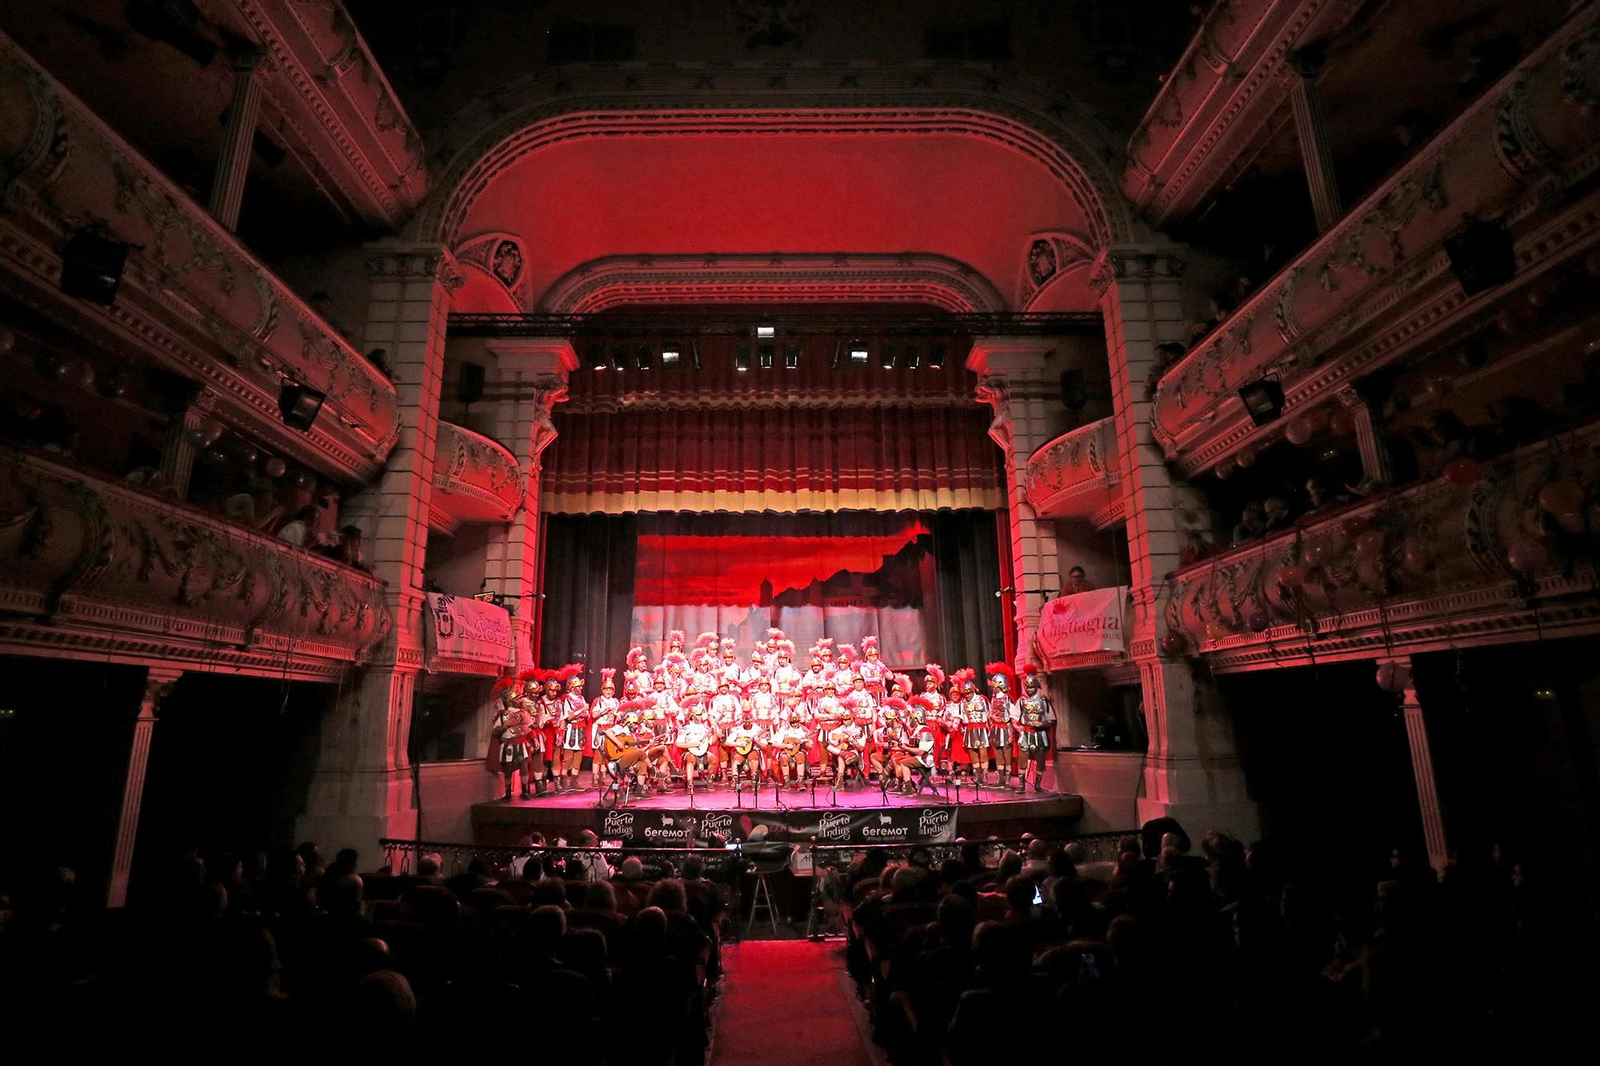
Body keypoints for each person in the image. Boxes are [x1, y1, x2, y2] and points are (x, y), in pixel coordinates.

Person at [489, 677, 534, 800]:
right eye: (518, 698)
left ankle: (525, 791)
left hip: (521, 744)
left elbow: (530, 727)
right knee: (507, 769)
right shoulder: (503, 715)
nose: (520, 700)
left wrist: (531, 736)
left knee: (524, 767)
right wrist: (506, 725)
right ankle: (507, 792)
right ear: (511, 700)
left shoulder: (524, 713)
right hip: (508, 745)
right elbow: (495, 731)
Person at [1015, 664, 1055, 792]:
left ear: (1037, 686)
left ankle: (1038, 784)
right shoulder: (1021, 701)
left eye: (1031, 686)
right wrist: (1017, 727)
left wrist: (1041, 724)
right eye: (1027, 687)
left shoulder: (1044, 702)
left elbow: (1051, 719)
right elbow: (1014, 717)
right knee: (1022, 759)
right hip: (1026, 734)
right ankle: (1021, 785)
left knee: (1040, 760)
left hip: (1040, 734)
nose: (1029, 689)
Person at [985, 662, 1017, 788]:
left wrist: (1011, 731)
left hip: (1005, 728)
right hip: (995, 728)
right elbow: (990, 711)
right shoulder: (993, 698)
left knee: (1006, 753)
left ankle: (1008, 780)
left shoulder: (1008, 699)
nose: (993, 687)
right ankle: (1001, 779)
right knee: (997, 753)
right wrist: (991, 716)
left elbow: (1013, 714)